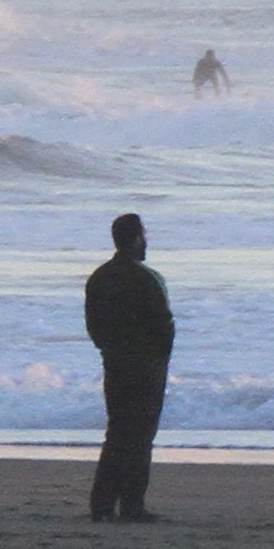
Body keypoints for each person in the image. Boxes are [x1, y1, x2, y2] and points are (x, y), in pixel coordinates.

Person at [82, 213, 172, 521]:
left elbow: (93, 326)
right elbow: (165, 327)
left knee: (117, 432)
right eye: (144, 236)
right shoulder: (148, 279)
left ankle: (102, 503)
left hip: (115, 364)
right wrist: (159, 361)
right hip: (145, 367)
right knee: (141, 436)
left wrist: (109, 351)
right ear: (136, 239)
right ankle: (132, 504)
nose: (146, 242)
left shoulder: (98, 277)